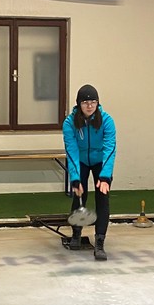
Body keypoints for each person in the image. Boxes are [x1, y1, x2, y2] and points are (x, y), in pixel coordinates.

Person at [62, 84, 116, 261]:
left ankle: (99, 242)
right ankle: (76, 234)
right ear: (79, 104)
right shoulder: (70, 123)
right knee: (79, 195)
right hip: (81, 161)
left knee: (103, 198)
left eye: (93, 102)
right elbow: (71, 151)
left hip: (100, 161)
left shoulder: (107, 121)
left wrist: (105, 176)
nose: (90, 105)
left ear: (98, 103)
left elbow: (110, 149)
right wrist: (75, 178)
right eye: (85, 102)